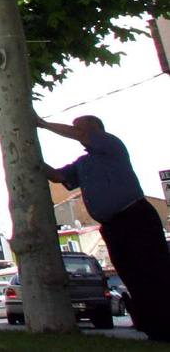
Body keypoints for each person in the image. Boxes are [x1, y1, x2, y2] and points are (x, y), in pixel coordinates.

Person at [40, 114, 170, 342]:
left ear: (97, 129)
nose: (76, 131)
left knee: (154, 271)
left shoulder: (111, 145)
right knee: (132, 275)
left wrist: (42, 124)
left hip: (136, 217)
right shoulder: (83, 164)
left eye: (81, 128)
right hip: (112, 226)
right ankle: (154, 329)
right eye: (75, 128)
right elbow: (58, 176)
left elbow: (81, 135)